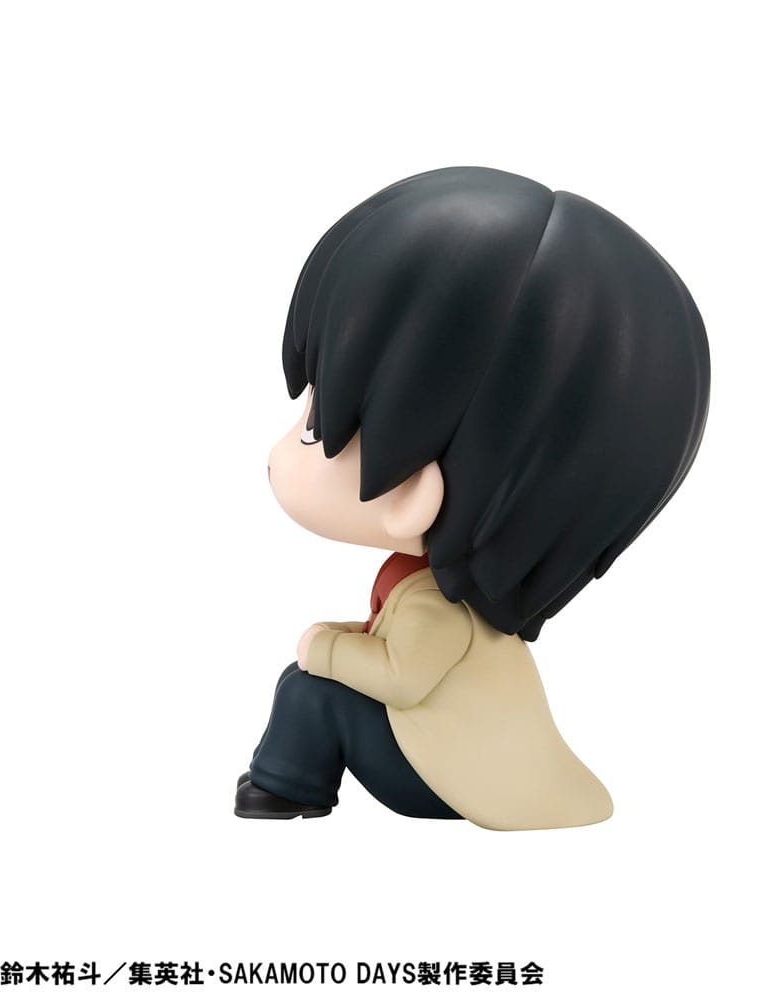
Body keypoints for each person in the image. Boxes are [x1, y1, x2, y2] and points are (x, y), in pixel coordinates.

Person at [234, 166, 710, 830]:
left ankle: (284, 788)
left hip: (436, 775)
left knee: (309, 693)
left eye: (318, 427)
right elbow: (388, 644)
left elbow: (401, 677)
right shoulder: (436, 593)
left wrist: (325, 650)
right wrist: (339, 639)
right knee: (310, 680)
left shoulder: (441, 611)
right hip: (440, 753)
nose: (283, 450)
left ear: (413, 493)